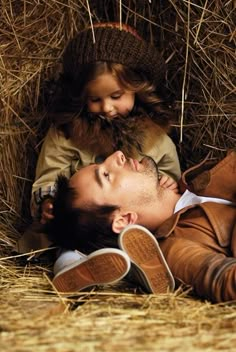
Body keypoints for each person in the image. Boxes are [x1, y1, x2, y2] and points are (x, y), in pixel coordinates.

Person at [15, 23, 181, 264]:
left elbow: (163, 172)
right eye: (95, 99)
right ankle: (72, 267)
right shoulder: (67, 133)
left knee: (147, 243)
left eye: (116, 96)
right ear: (80, 96)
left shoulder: (152, 134)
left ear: (137, 89)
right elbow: (51, 171)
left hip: (134, 224)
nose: (107, 108)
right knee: (66, 243)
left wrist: (166, 180)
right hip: (84, 224)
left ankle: (129, 266)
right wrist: (48, 201)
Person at [48, 150, 236, 303]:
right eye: (106, 175)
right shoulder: (172, 250)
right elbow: (227, 283)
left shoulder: (199, 180)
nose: (117, 155)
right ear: (122, 219)